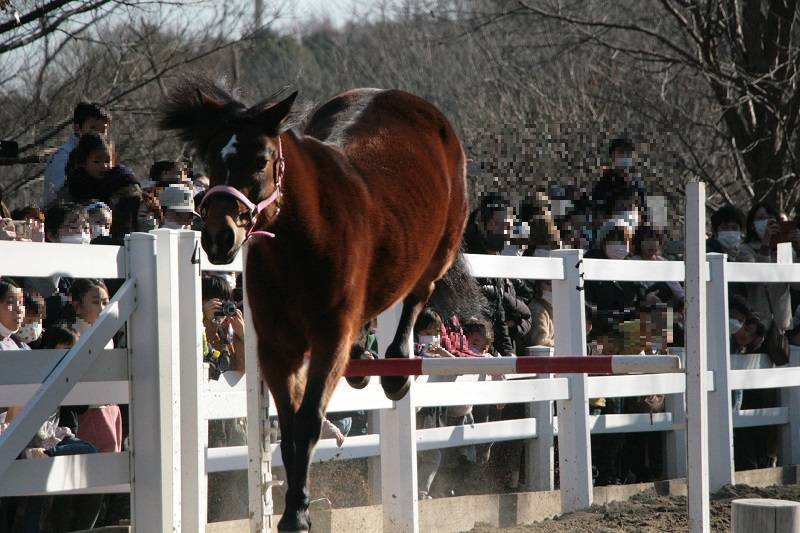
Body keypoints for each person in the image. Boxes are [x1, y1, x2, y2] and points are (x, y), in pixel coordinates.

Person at [463, 193, 532, 356]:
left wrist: (507, 351)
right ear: (485, 224)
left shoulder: (494, 253)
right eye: (502, 225)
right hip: (472, 346)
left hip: (494, 343)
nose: (507, 233)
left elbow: (510, 308)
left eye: (509, 227)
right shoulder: (467, 254)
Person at [43, 102, 111, 206]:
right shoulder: (62, 157)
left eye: (103, 131)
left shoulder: (105, 156)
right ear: (77, 128)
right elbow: (58, 197)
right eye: (93, 128)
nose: (98, 134)